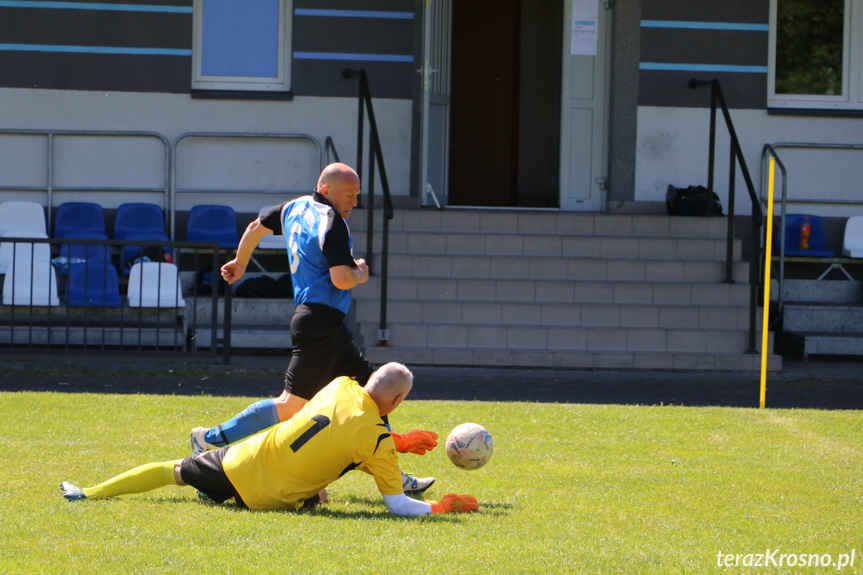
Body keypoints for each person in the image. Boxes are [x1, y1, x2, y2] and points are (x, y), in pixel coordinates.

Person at [191, 162, 435, 493]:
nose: (353, 202)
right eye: (349, 195)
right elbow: (342, 278)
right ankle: (208, 438)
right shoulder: (332, 223)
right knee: (292, 406)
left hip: (323, 323)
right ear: (326, 190)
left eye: (357, 195)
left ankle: (393, 476)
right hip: (319, 322)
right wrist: (361, 271)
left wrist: (241, 262)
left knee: (371, 395)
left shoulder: (293, 207)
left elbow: (254, 227)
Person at [61, 363, 478, 517]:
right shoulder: (374, 441)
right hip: (273, 500)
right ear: (400, 399)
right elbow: (398, 504)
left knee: (172, 472)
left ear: (367, 379)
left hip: (240, 461)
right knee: (329, 483)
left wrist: (397, 441)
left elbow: (348, 430)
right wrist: (444, 506)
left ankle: (88, 494)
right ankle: (220, 496)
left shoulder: (338, 385)